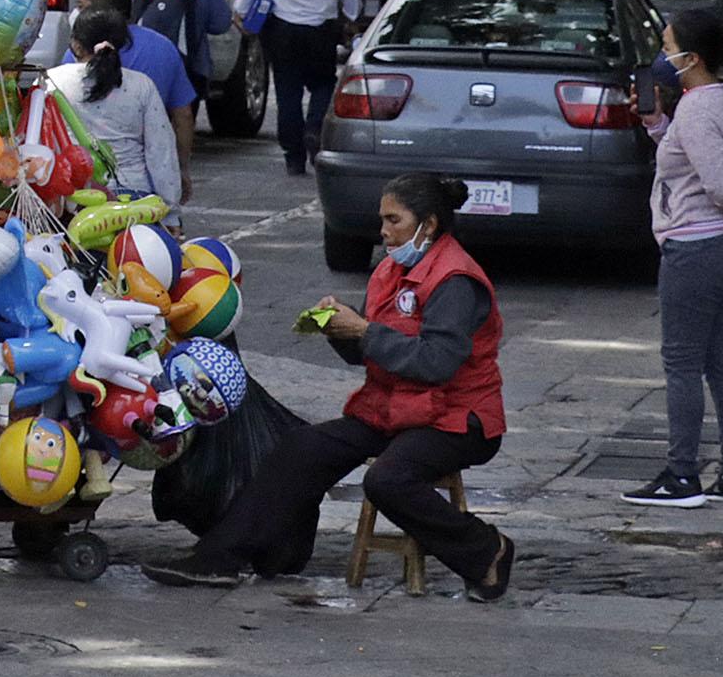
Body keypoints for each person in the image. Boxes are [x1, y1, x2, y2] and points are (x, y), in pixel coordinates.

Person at [144, 173, 516, 598]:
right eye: (382, 219)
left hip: (457, 419)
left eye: (393, 220)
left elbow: (436, 362)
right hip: (394, 407)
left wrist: (363, 331)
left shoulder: (455, 280)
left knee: (388, 480)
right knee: (300, 448)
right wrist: (337, 328)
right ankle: (222, 558)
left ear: (427, 225)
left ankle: (487, 551)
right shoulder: (390, 269)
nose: (383, 231)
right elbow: (367, 350)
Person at [623, 7, 723, 509]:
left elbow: (719, 182)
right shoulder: (709, 103)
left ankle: (683, 475)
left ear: (693, 57)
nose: (663, 57)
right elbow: (690, 158)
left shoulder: (699, 108)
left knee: (682, 364)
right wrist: (657, 124)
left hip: (698, 246)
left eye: (668, 48)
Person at [234, 0, 364, 175]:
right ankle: (315, 126)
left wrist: (241, 13)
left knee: (287, 90)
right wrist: (352, 19)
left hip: (282, 28)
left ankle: (293, 153)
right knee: (322, 84)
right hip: (321, 28)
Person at [45, 7, 183, 205]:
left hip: (74, 197)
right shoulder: (142, 85)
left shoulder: (51, 82)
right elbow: (161, 152)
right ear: (121, 44)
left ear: (75, 45)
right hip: (134, 197)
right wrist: (170, 211)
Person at [76, 0, 196, 197]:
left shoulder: (77, 54)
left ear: (99, 12)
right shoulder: (164, 48)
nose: (77, 14)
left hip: (88, 187)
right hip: (144, 188)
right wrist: (181, 169)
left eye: (82, 7)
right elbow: (184, 117)